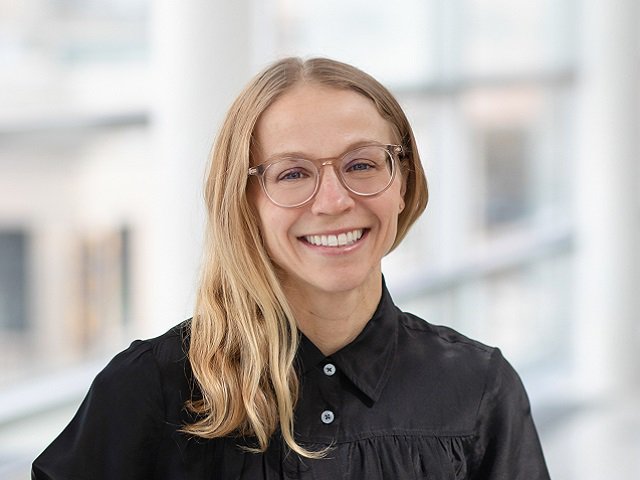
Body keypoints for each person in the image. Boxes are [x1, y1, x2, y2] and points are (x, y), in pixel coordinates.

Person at [32, 57, 550, 479]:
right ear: (244, 200)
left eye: (361, 164)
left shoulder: (480, 389)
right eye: (293, 173)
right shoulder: (149, 389)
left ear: (403, 182)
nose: (333, 201)